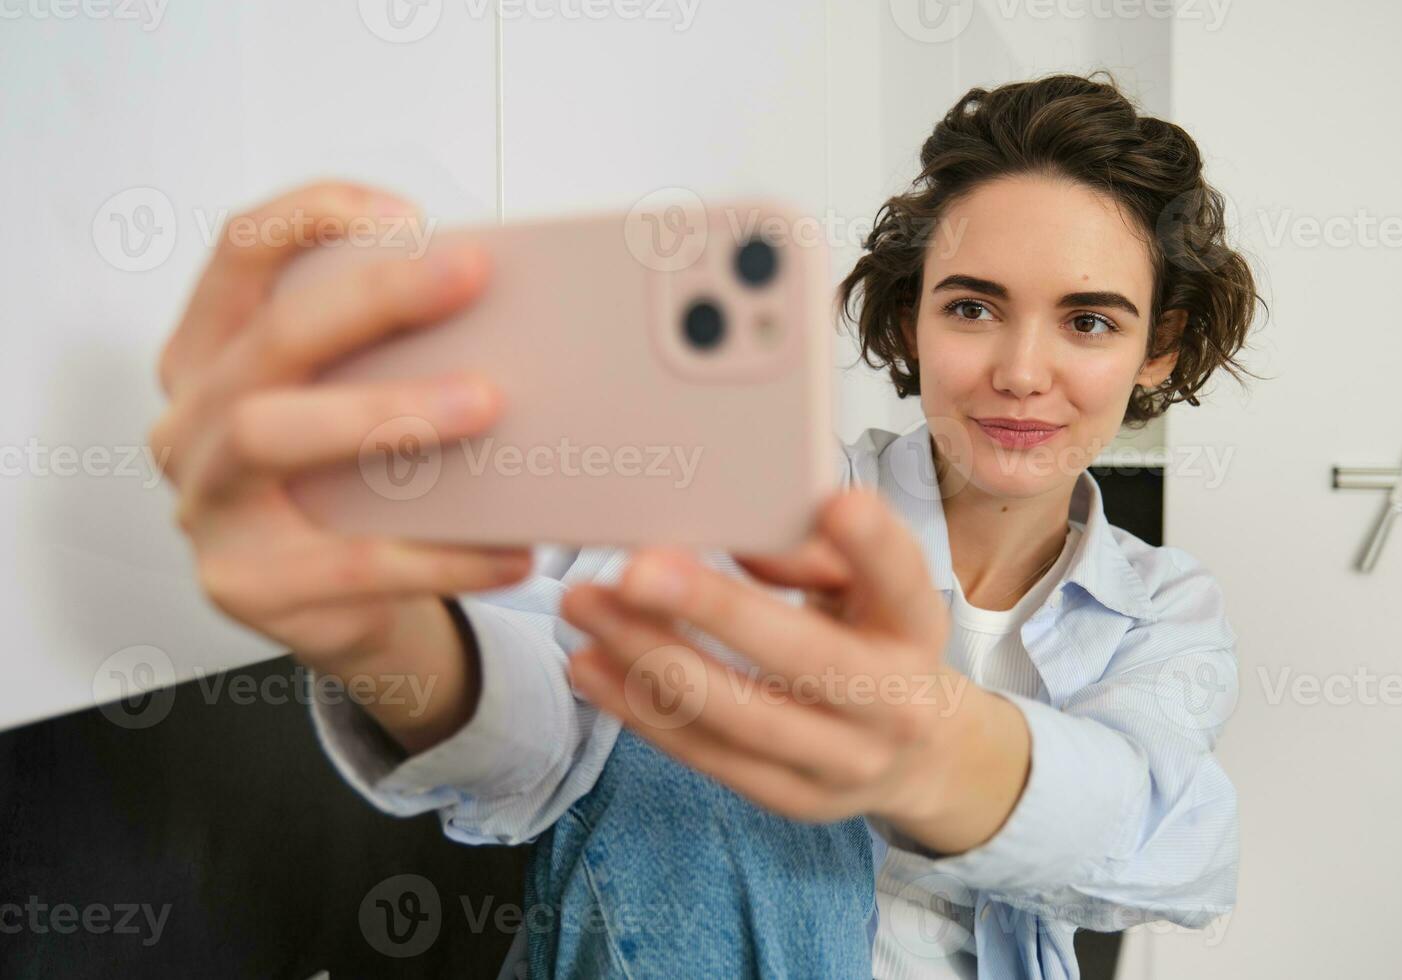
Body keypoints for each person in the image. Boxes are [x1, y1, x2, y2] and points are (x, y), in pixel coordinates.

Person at [149, 72, 1260, 979]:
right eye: (971, 305)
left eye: (1088, 320)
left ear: (1156, 348)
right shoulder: (749, 486)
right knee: (698, 739)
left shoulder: (1161, 605)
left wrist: (919, 741)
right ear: (910, 320)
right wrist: (378, 622)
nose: (1023, 372)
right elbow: (538, 738)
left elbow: (1171, 850)